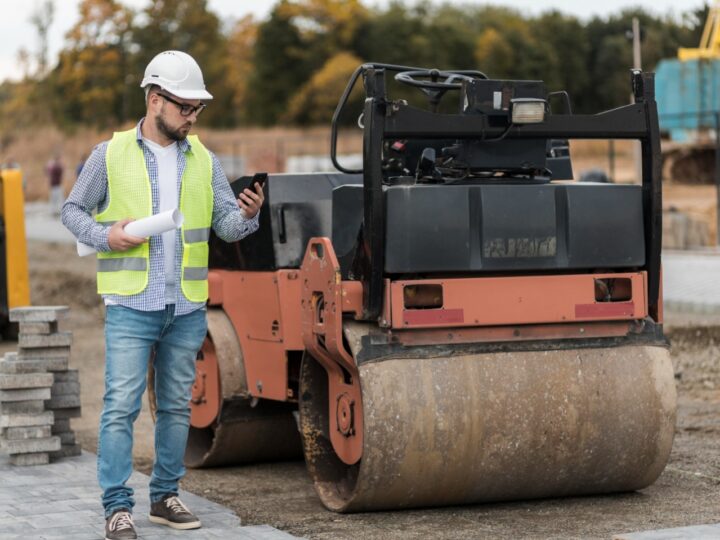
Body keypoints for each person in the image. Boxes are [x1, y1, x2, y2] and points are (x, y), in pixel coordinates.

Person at [61, 50, 264, 540]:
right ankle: (116, 506)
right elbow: (72, 212)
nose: (193, 117)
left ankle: (165, 496)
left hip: (186, 305)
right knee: (120, 407)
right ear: (155, 100)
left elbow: (226, 228)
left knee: (176, 405)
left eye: (198, 109)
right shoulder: (108, 155)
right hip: (131, 303)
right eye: (185, 107)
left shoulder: (206, 161)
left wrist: (249, 215)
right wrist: (109, 236)